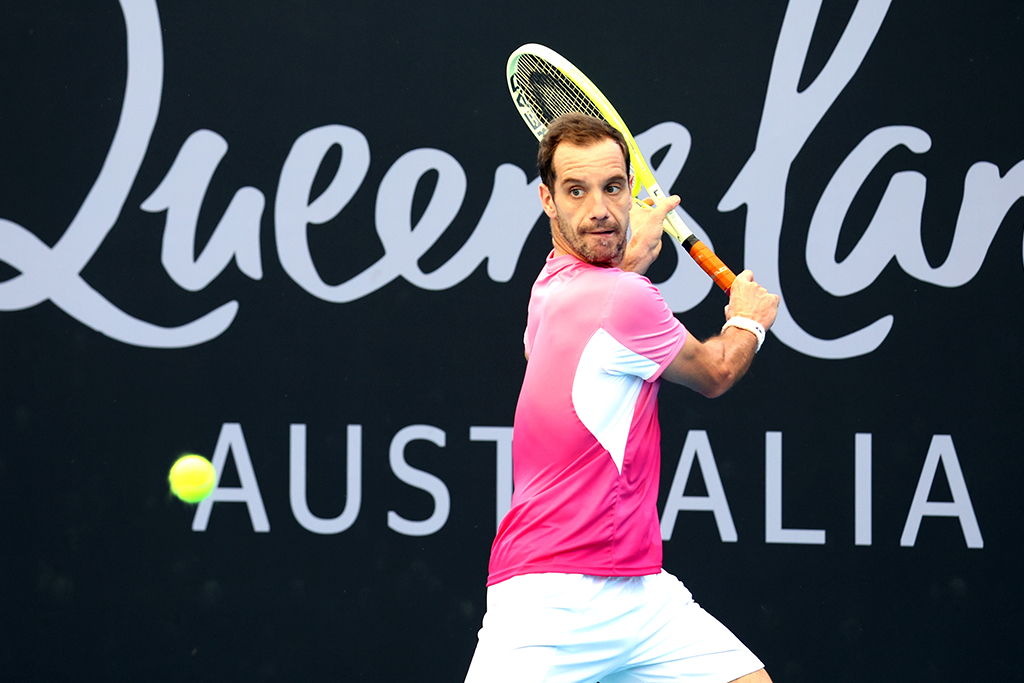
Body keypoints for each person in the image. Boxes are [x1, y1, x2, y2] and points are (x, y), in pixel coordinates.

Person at [464, 113, 779, 683]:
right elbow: (716, 372)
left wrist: (628, 261)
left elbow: (599, 315)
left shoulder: (550, 286)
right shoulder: (625, 298)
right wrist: (748, 320)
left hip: (638, 588)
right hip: (552, 598)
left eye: (613, 188)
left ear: (631, 192)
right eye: (575, 191)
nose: (600, 210)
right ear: (547, 199)